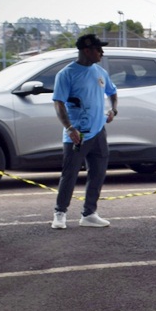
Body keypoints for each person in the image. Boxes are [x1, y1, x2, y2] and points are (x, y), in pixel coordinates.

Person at [51, 34, 118, 229]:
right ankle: (60, 213)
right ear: (87, 51)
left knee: (98, 173)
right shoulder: (66, 74)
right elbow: (58, 103)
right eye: (98, 49)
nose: (102, 53)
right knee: (70, 174)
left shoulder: (100, 72)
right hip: (77, 134)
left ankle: (89, 214)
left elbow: (113, 92)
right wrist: (69, 127)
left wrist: (113, 110)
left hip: (98, 131)